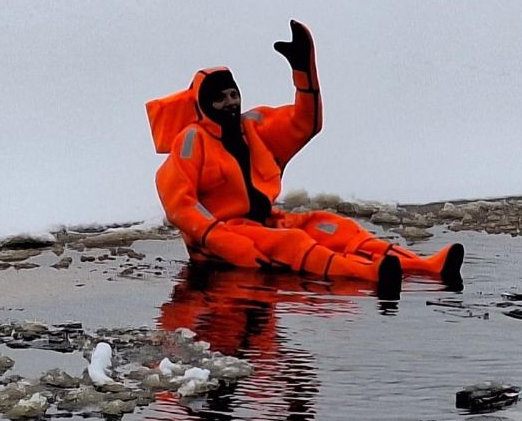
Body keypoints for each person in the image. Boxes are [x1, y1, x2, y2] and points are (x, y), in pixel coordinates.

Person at [146, 19, 464, 292]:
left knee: (334, 227)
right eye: (220, 99)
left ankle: (427, 266)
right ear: (204, 105)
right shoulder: (191, 141)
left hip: (265, 222)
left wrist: (304, 73)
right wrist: (225, 241)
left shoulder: (252, 128)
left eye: (234, 94)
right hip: (220, 242)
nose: (231, 103)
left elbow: (305, 124)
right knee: (293, 244)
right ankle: (372, 273)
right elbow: (179, 204)